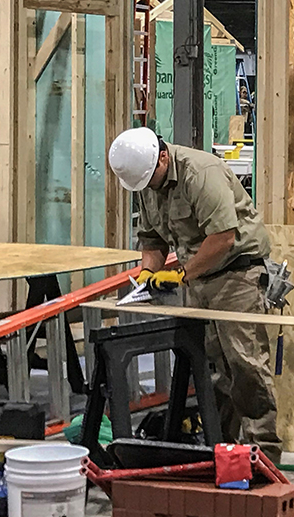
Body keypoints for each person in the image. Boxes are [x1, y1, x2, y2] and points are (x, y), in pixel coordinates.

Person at [108, 127, 282, 463]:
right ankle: (222, 449)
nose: (149, 187)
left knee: (244, 367)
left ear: (163, 156)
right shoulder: (147, 181)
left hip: (237, 275)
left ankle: (264, 454)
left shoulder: (201, 173)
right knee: (213, 371)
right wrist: (148, 272)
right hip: (199, 278)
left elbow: (224, 237)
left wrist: (181, 274)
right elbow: (152, 239)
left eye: (151, 179)